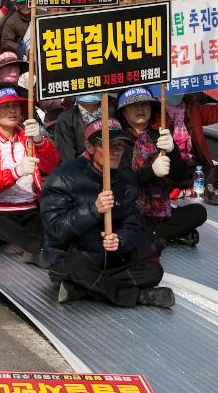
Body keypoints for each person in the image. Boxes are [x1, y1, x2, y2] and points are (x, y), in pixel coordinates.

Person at [41, 118, 174, 308]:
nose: (117, 150)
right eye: (109, 145)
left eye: (120, 145)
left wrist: (120, 240)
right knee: (75, 266)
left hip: (111, 261)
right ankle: (138, 297)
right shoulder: (62, 179)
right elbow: (56, 229)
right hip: (74, 260)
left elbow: (133, 225)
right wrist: (93, 210)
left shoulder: (126, 183)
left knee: (153, 271)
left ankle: (82, 290)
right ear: (90, 146)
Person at [0, 87, 59, 265]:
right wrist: (16, 172)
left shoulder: (27, 137)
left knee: (51, 222)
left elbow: (51, 166)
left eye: (15, 106)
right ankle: (39, 249)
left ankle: (37, 250)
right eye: (5, 107)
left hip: (29, 208)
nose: (12, 111)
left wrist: (39, 141)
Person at [116, 87, 207, 247]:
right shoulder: (118, 141)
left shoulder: (160, 136)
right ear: (123, 112)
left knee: (199, 212)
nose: (140, 108)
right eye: (133, 105)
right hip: (132, 211)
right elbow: (123, 183)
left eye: (145, 104)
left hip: (162, 210)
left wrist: (173, 152)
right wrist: (151, 171)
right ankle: (165, 235)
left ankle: (156, 235)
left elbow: (181, 176)